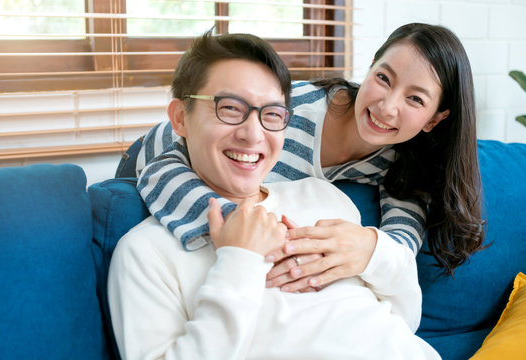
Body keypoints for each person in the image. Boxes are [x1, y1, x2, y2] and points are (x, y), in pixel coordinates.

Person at [107, 30, 440, 359]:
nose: (253, 134)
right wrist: (238, 257)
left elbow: (404, 315)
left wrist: (372, 249)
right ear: (181, 117)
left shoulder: (328, 196)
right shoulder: (145, 253)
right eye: (230, 108)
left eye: (271, 114)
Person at [135, 22, 485, 292]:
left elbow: (399, 249)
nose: (387, 106)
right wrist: (250, 234)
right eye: (383, 78)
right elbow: (159, 165)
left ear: (436, 119)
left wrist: (367, 247)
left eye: (416, 100)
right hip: (155, 154)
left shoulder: (405, 161)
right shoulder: (285, 116)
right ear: (369, 68)